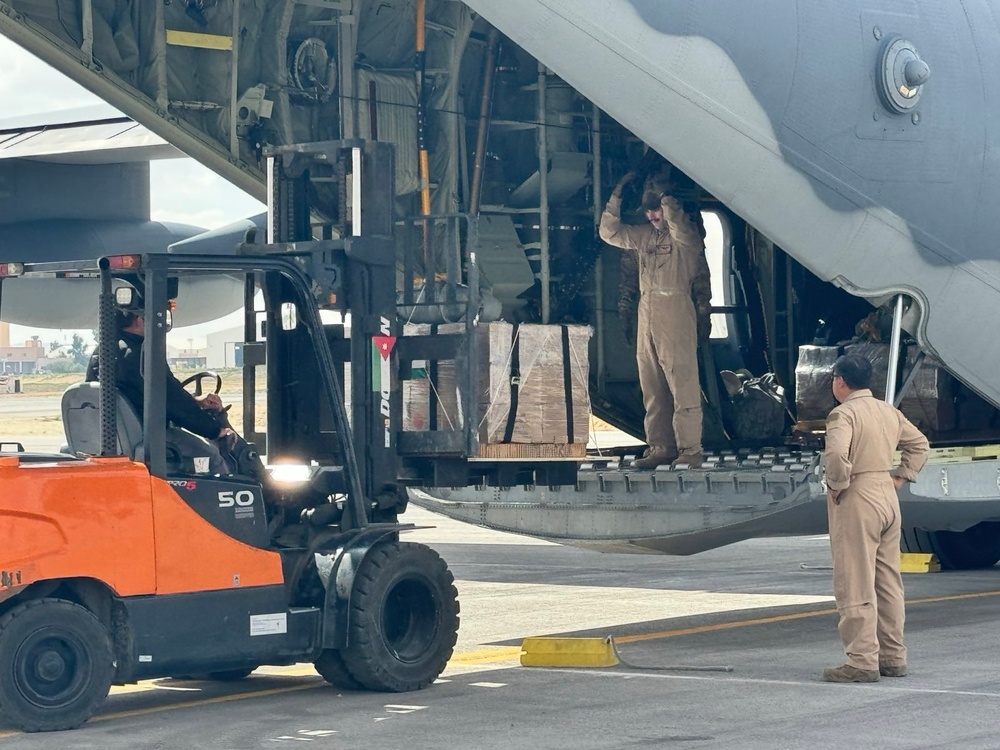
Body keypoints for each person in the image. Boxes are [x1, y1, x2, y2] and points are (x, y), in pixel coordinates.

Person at [822, 353, 929, 683]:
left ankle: (862, 660)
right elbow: (920, 444)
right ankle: (893, 657)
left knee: (854, 579)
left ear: (840, 382)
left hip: (859, 494)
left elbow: (838, 454)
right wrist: (901, 475)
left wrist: (838, 484)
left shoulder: (843, 414)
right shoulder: (888, 411)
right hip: (886, 491)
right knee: (887, 580)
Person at [599, 170, 712, 469]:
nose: (652, 215)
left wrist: (666, 198)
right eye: (648, 209)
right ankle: (661, 447)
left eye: (656, 209)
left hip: (675, 307)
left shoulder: (686, 240)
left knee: (681, 382)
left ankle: (690, 450)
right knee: (652, 385)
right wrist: (616, 197)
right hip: (647, 309)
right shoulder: (643, 237)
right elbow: (609, 233)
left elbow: (681, 229)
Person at [86, 305, 235, 474]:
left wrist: (196, 402)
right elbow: (172, 402)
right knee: (212, 455)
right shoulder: (141, 354)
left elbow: (145, 393)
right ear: (140, 319)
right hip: (148, 435)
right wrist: (214, 430)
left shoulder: (102, 352)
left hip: (119, 435)